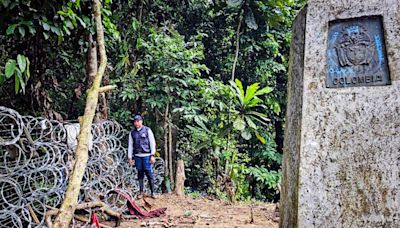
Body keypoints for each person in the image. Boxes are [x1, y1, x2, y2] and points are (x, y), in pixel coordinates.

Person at [128, 114, 156, 198]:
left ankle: (153, 192)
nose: (136, 123)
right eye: (135, 121)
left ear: (141, 121)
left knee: (149, 173)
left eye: (138, 121)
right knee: (140, 174)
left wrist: (152, 155)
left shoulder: (147, 130)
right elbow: (130, 145)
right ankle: (141, 192)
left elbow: (152, 143)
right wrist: (130, 157)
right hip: (137, 155)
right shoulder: (132, 133)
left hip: (147, 155)